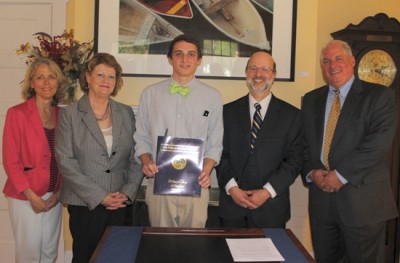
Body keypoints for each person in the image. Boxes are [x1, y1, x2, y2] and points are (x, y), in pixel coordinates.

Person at [301, 40, 398, 262]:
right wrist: (312, 173)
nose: (332, 65)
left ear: (352, 61)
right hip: (321, 204)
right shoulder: (311, 99)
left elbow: (378, 144)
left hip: (362, 203)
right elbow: (304, 144)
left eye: (338, 59)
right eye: (326, 61)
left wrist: (340, 175)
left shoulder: (379, 96)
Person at [55, 53, 142, 262]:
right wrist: (99, 196)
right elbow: (65, 161)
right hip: (86, 204)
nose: (106, 81)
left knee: (119, 257)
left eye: (111, 77)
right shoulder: (71, 114)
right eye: (100, 75)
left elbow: (136, 157)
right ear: (88, 77)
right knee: (86, 257)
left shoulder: (125, 112)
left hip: (120, 204)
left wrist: (128, 193)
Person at [134, 34, 223, 228]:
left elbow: (215, 144)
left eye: (191, 54)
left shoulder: (212, 97)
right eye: (179, 54)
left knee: (193, 247)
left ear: (199, 60)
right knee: (160, 245)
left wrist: (206, 171)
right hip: (159, 182)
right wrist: (147, 161)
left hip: (196, 185)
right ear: (170, 59)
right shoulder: (150, 94)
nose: (185, 59)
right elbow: (140, 137)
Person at [216, 50, 303, 228]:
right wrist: (232, 189)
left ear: (274, 75)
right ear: (246, 73)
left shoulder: (292, 115)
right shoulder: (226, 112)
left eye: (265, 69)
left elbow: (295, 160)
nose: (258, 74)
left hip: (271, 208)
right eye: (253, 68)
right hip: (232, 207)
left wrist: (266, 192)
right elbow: (219, 154)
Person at [2, 57, 67, 262]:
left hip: (53, 196)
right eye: (40, 77)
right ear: (31, 83)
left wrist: (58, 193)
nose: (46, 82)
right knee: (29, 254)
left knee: (49, 252)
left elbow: (66, 157)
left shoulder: (62, 115)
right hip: (26, 196)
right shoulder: (17, 113)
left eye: (51, 77)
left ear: (58, 82)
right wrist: (31, 196)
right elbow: (10, 160)